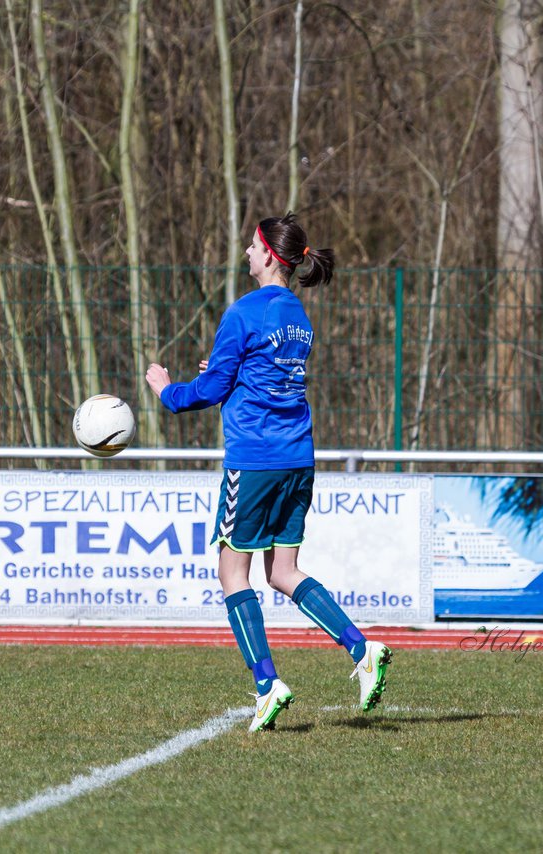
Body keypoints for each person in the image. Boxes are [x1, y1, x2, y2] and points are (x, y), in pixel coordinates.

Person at [145, 213, 391, 732]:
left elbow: (211, 392)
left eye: (253, 248)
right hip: (298, 457)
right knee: (282, 572)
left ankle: (267, 684)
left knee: (231, 572)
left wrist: (167, 390)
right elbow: (256, 376)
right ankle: (362, 649)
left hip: (255, 459)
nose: (247, 255)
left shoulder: (244, 312)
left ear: (270, 257)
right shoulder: (298, 316)